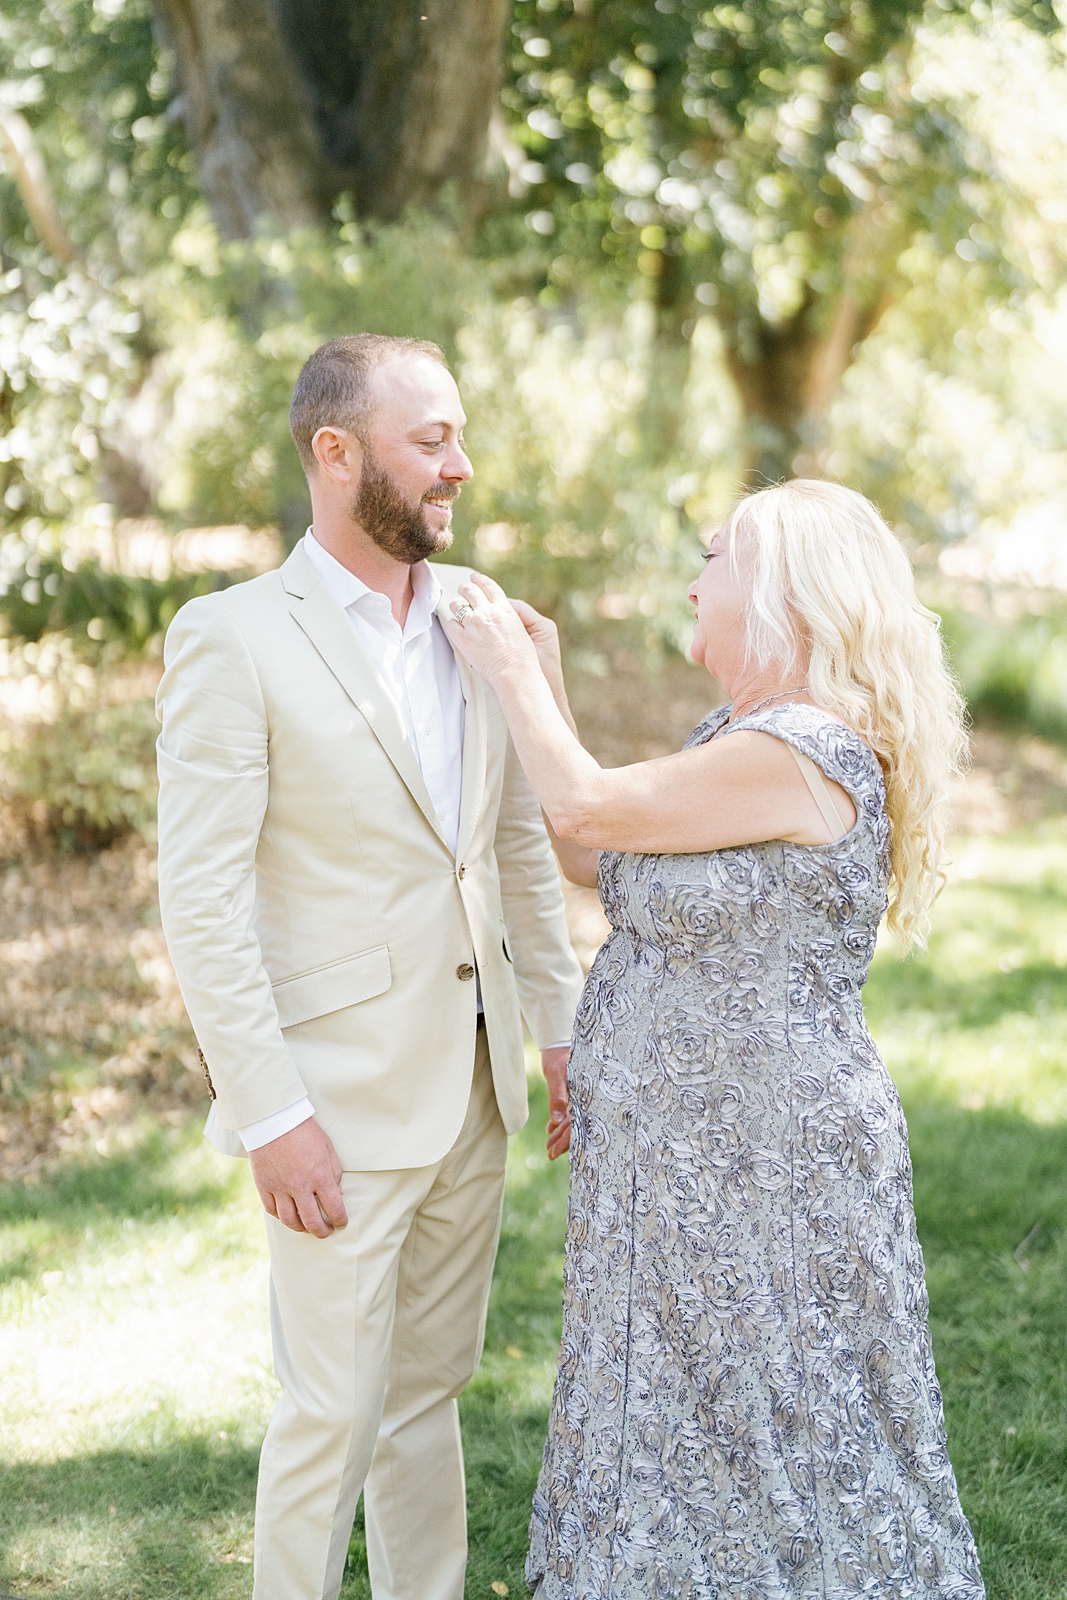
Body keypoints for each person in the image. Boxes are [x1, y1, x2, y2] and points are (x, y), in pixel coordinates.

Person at [442, 479, 985, 1600]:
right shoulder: (732, 738)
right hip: (671, 1159)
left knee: (770, 1417)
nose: (692, 579)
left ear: (783, 594)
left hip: (760, 1159)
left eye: (714, 558)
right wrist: (543, 686)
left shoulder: (801, 750)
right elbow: (599, 854)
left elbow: (586, 810)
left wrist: (506, 673)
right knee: (683, 1415)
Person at [155, 333, 584, 1600]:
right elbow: (205, 898)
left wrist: (557, 1029)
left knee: (424, 1402)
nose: (460, 465)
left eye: (456, 434)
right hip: (331, 1106)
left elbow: (511, 843)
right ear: (333, 455)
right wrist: (271, 1113)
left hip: (473, 1089)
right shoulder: (232, 637)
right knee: (326, 1417)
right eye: (430, 439)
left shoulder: (474, 616)